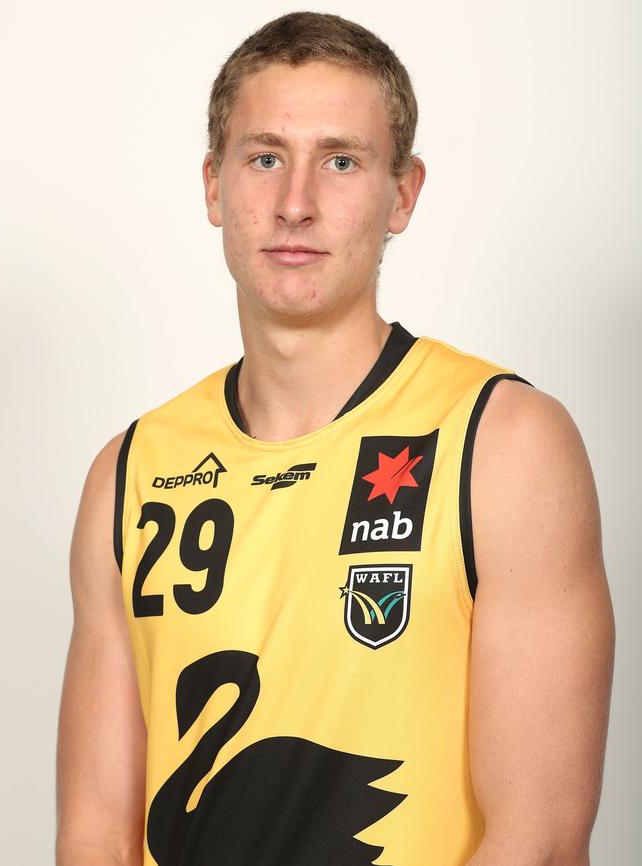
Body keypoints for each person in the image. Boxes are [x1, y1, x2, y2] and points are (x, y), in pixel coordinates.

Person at [55, 11, 615, 866]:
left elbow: (536, 843)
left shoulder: (502, 442)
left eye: (341, 161)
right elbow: (94, 835)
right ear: (214, 185)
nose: (295, 203)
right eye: (265, 156)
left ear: (403, 193)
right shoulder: (130, 472)